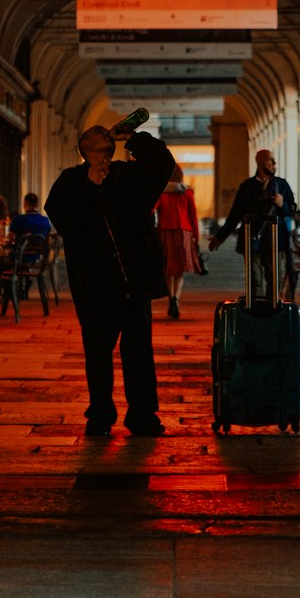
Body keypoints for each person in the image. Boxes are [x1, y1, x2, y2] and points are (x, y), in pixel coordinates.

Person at [45, 124, 175, 438]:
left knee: (139, 354)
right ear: (84, 151)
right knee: (98, 353)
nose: (103, 150)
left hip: (134, 283)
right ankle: (100, 415)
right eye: (97, 145)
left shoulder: (128, 177)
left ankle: (142, 416)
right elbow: (65, 221)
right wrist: (89, 188)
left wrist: (133, 137)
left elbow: (163, 163)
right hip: (94, 285)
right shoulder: (70, 182)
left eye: (107, 145)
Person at [208, 149, 298, 302]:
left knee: (274, 277)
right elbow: (235, 215)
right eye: (270, 160)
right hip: (252, 239)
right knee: (254, 278)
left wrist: (283, 205)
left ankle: (272, 309)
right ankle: (257, 310)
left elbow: (293, 210)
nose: (274, 164)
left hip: (276, 240)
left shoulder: (281, 185)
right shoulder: (247, 187)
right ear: (260, 162)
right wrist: (219, 237)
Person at [155, 166, 201, 319]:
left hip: (165, 231)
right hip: (184, 231)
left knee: (168, 268)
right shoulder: (187, 192)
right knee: (180, 269)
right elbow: (193, 215)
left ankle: (171, 298)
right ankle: (177, 299)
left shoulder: (161, 192)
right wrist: (196, 237)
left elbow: (152, 209)